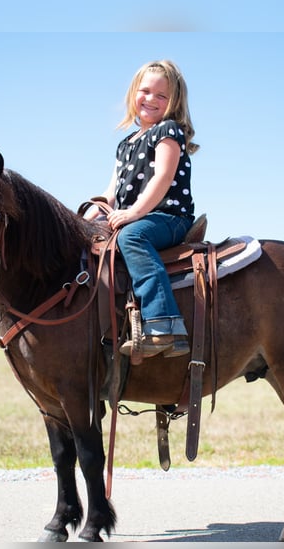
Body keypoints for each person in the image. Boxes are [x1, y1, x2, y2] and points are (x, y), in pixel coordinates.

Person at [85, 60, 199, 358]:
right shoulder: (125, 144)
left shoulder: (168, 131)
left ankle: (164, 325)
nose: (151, 99)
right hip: (133, 217)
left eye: (162, 96)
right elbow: (111, 193)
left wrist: (134, 213)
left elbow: (162, 177)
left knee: (131, 238)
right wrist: (86, 218)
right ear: (133, 93)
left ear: (173, 103)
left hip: (167, 217)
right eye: (145, 91)